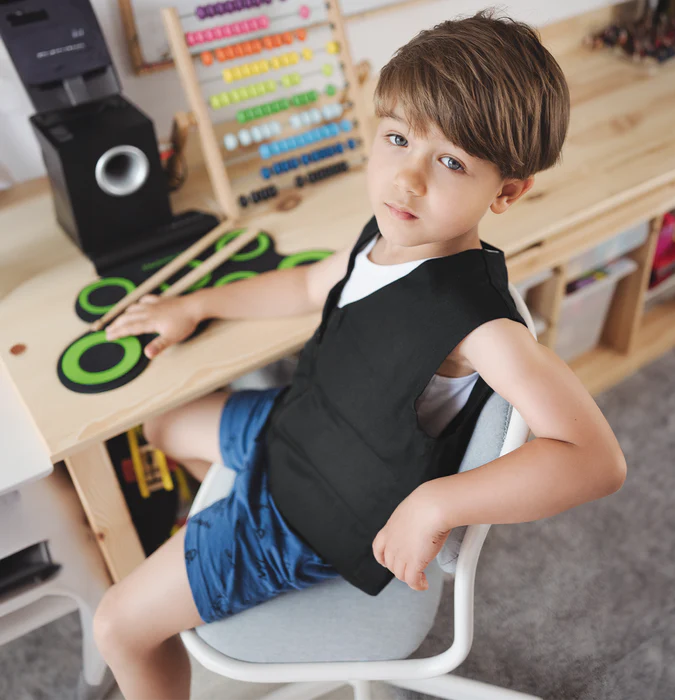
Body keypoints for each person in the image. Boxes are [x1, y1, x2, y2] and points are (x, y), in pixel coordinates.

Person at [94, 11, 627, 699]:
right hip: (302, 427)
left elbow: (595, 460)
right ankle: (217, 553)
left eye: (450, 162)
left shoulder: (482, 329)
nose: (406, 180)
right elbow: (306, 286)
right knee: (164, 425)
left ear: (507, 190)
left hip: (319, 512)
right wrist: (196, 304)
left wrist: (435, 503)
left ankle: (244, 555)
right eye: (398, 139)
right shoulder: (388, 233)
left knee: (118, 626)